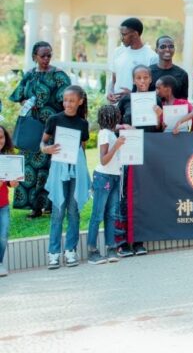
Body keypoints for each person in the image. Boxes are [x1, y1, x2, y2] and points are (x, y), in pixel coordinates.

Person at [9, 41, 71, 218]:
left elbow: (69, 99)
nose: (46, 58)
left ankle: (49, 205)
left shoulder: (58, 75)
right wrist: (28, 103)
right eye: (42, 55)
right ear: (34, 56)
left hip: (51, 128)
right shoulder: (29, 75)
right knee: (29, 167)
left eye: (49, 55)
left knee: (47, 167)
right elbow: (19, 96)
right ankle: (33, 206)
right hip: (31, 128)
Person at [40, 85, 91, 269]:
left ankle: (71, 250)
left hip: (76, 171)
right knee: (58, 211)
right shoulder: (54, 119)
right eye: (65, 100)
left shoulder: (83, 124)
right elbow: (43, 142)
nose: (67, 103)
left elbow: (82, 148)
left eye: (71, 100)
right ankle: (53, 253)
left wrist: (84, 172)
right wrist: (47, 149)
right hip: (59, 169)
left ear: (80, 101)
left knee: (73, 211)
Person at [115, 65, 160, 257]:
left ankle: (139, 241)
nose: (142, 81)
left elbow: (158, 129)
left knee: (142, 196)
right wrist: (124, 126)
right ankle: (122, 242)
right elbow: (113, 124)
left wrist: (159, 116)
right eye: (138, 78)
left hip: (147, 152)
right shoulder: (126, 100)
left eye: (145, 78)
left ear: (150, 79)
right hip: (128, 152)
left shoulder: (156, 99)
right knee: (125, 195)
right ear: (134, 80)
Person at [86, 105, 125, 265]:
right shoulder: (104, 134)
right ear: (111, 118)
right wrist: (116, 146)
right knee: (98, 215)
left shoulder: (110, 133)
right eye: (117, 116)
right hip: (104, 177)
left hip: (114, 176)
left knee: (111, 215)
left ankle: (111, 248)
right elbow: (103, 160)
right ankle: (92, 251)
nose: (119, 118)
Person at [108, 18, 158, 104]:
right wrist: (110, 92)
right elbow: (113, 79)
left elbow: (152, 88)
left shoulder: (152, 57)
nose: (121, 38)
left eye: (124, 34)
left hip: (137, 106)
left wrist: (132, 95)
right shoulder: (118, 52)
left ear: (135, 34)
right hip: (116, 106)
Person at [0, 125, 22, 277]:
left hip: (3, 204)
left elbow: (8, 181)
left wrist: (12, 182)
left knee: (3, 234)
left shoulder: (5, 157)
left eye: (1, 137)